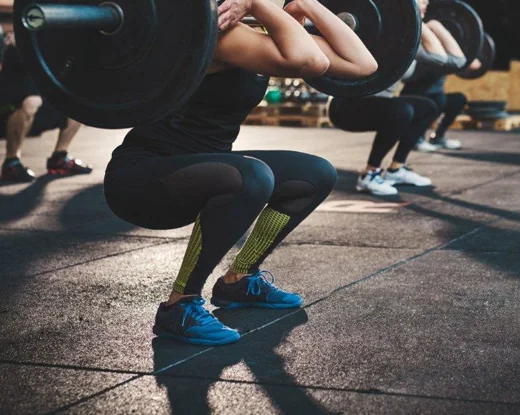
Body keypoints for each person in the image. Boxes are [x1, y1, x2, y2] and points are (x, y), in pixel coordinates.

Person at [103, 0, 377, 346]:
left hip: (205, 168)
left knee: (315, 174)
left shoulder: (261, 37)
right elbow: (310, 60)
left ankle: (239, 280)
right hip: (144, 178)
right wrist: (260, 5)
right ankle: (180, 305)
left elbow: (363, 64)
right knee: (253, 176)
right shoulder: (221, 35)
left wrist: (306, 5)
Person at [327, 0, 467, 196]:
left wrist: (436, 26)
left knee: (429, 107)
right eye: (421, 0)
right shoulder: (384, 35)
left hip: (377, 106)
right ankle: (370, 174)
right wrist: (421, 22)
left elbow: (454, 60)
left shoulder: (405, 40)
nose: (426, 3)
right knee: (402, 110)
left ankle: (395, 169)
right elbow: (439, 57)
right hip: (345, 105)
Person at [0, 31, 91, 182]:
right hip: (8, 111)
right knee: (32, 101)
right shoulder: (12, 48)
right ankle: (12, 163)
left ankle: (59, 158)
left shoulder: (50, 49)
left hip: (36, 112)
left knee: (78, 103)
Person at [401, 25, 482, 152]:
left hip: (437, 98)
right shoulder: (427, 50)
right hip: (414, 97)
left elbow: (475, 65)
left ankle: (438, 137)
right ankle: (417, 139)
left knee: (458, 99)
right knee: (436, 99)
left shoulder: (448, 53)